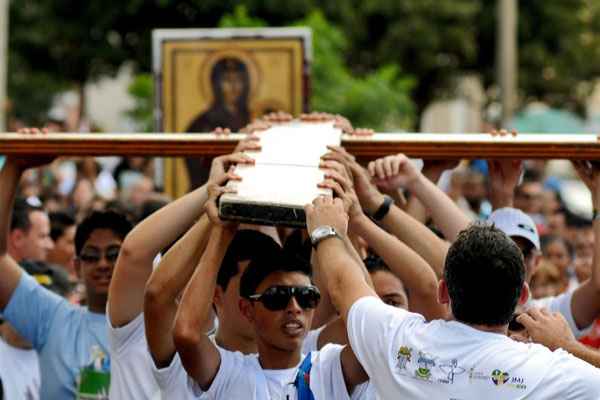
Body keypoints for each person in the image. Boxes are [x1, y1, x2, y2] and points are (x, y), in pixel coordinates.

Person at [305, 195, 600, 399]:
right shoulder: (547, 370)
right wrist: (567, 346)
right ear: (523, 294)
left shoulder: (398, 339)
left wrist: (325, 229)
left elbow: (345, 285)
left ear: (443, 290)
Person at [171, 185, 368, 399]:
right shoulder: (230, 373)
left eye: (306, 297)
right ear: (247, 309)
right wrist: (221, 231)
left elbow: (373, 330)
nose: (294, 308)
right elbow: (186, 334)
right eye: (277, 298)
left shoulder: (330, 368)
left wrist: (333, 231)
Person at [108, 152, 253, 400]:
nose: (189, 276)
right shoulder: (150, 331)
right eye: (182, 266)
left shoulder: (237, 344)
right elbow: (135, 256)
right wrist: (213, 196)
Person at [0, 154, 132, 399]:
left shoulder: (156, 324)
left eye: (114, 255)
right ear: (77, 266)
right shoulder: (52, 319)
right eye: (92, 256)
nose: (103, 264)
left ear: (132, 262)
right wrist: (13, 166)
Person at [186, 57, 252, 186]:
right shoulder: (203, 123)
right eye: (227, 80)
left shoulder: (253, 117)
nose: (234, 86)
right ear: (216, 85)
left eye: (239, 80)